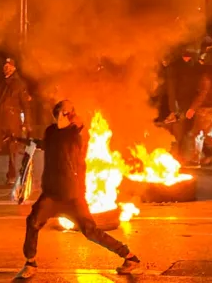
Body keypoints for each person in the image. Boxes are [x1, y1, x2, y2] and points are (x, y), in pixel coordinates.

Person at [16, 100, 139, 279]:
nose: (64, 113)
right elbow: (46, 144)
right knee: (33, 221)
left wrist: (75, 122)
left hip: (72, 194)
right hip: (51, 193)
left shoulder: (74, 135)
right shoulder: (51, 132)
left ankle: (129, 257)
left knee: (91, 231)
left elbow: (69, 140)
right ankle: (30, 262)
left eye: (67, 111)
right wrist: (19, 139)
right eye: (62, 110)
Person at [0, 58, 30, 185]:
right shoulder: (0, 83)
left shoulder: (19, 84)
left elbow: (25, 105)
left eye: (9, 65)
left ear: (14, 68)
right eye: (5, 65)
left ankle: (12, 176)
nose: (6, 67)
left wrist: (27, 123)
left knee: (13, 151)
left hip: (12, 122)